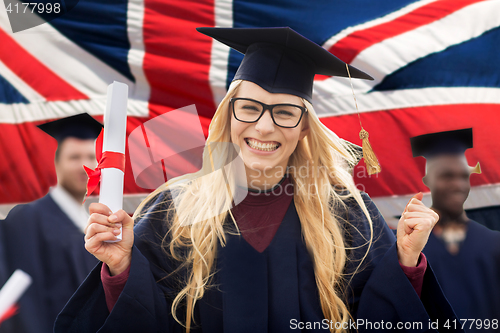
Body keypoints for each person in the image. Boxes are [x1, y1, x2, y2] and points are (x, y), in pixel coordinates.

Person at [55, 27, 461, 332]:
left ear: (304, 128)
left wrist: (406, 262)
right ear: (229, 116)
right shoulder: (174, 210)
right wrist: (122, 268)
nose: (264, 127)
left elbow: (381, 317)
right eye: (249, 108)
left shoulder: (349, 214)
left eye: (284, 112)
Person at [0, 113, 101, 333]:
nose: (83, 166)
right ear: (57, 163)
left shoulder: (91, 223)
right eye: (74, 157)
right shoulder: (28, 217)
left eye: (90, 157)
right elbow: (27, 303)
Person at [411, 128, 500, 332]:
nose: (457, 184)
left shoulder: (494, 243)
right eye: (447, 176)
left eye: (463, 176)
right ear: (427, 181)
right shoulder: (410, 247)